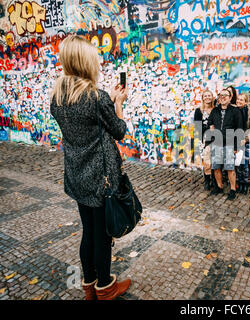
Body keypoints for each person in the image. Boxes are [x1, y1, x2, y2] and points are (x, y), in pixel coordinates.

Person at [50, 35, 131, 300]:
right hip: (101, 178)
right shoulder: (96, 98)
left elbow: (84, 120)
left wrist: (108, 99)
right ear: (86, 61)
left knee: (88, 230)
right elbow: (119, 131)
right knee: (103, 234)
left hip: (76, 175)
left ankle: (88, 285)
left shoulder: (58, 97)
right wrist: (117, 102)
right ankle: (105, 287)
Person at [207, 89, 243, 200]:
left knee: (230, 168)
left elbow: (239, 128)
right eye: (221, 95)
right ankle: (219, 187)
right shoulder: (215, 111)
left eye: (225, 95)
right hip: (217, 143)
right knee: (216, 167)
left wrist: (236, 146)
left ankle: (233, 189)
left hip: (230, 144)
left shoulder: (235, 111)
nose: (223, 97)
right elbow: (210, 123)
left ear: (230, 97)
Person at [194, 90, 215, 190]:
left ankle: (214, 180)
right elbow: (197, 126)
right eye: (205, 96)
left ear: (212, 97)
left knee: (215, 161)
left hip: (215, 138)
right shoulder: (199, 111)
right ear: (202, 98)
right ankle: (207, 180)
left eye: (209, 95)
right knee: (206, 161)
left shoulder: (215, 110)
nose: (207, 97)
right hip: (203, 139)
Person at [235, 93, 250, 195]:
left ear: (246, 102)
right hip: (237, 140)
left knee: (245, 164)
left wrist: (246, 139)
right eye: (238, 99)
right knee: (238, 163)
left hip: (247, 140)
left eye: (241, 100)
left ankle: (245, 184)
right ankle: (239, 182)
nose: (239, 101)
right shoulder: (234, 110)